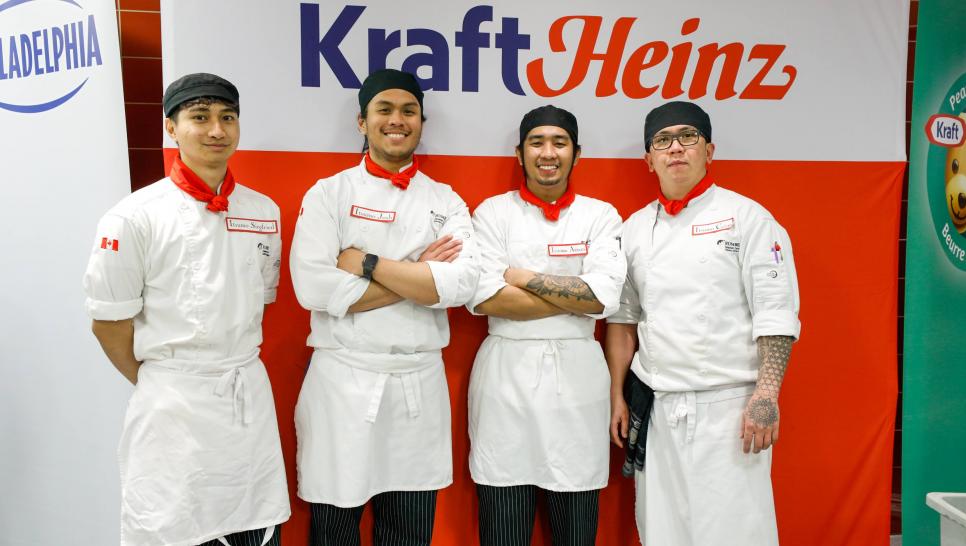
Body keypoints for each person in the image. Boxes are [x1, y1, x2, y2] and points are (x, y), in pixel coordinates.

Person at [83, 73, 289, 546]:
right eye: (200, 117)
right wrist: (162, 379)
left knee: (254, 528)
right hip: (173, 405)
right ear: (171, 128)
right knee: (171, 527)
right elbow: (108, 323)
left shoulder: (263, 210)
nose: (216, 130)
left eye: (227, 117)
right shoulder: (134, 216)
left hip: (245, 400)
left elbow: (261, 296)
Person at [290, 68, 480, 546]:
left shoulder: (445, 200)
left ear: (421, 121)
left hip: (418, 384)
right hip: (342, 383)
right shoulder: (329, 193)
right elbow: (314, 289)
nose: (397, 120)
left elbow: (461, 284)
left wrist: (365, 262)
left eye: (409, 111)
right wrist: (417, 273)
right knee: (334, 526)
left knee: (410, 527)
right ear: (362, 122)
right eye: (385, 110)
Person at [605, 101, 800, 546]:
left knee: (735, 532)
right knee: (661, 530)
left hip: (729, 410)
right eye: (662, 140)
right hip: (656, 407)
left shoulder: (750, 219)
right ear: (648, 158)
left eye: (688, 136)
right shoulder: (633, 229)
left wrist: (766, 395)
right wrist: (617, 393)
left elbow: (775, 312)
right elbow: (623, 319)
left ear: (709, 150)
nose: (675, 148)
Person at [467, 105, 625, 546]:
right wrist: (576, 298)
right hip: (505, 380)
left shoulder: (600, 216)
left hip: (578, 382)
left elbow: (602, 298)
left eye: (560, 142)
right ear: (520, 153)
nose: (548, 152)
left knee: (575, 525)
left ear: (578, 153)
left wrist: (522, 277)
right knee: (503, 522)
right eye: (537, 142)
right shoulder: (491, 214)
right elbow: (486, 297)